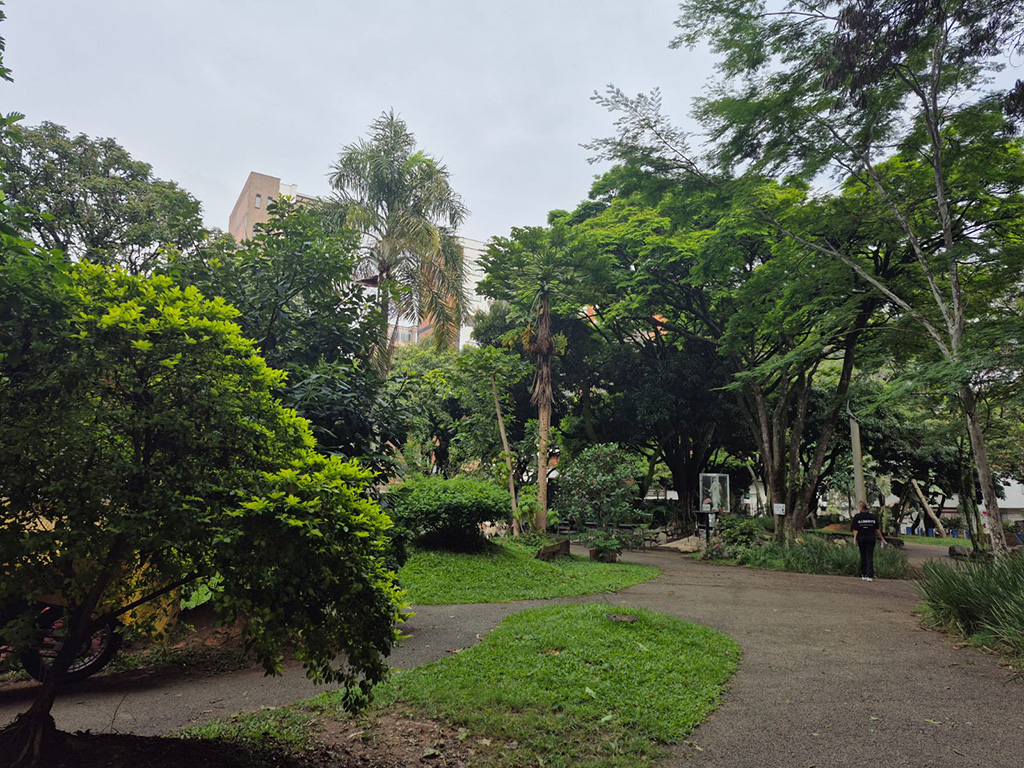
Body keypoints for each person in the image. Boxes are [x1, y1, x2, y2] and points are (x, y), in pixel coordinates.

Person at [851, 501, 886, 582]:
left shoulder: (857, 517)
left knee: (863, 555)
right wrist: (882, 539)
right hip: (871, 538)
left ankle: (864, 574)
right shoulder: (873, 517)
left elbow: (855, 530)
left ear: (860, 507)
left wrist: (854, 539)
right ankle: (869, 575)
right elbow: (877, 530)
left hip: (861, 538)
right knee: (869, 556)